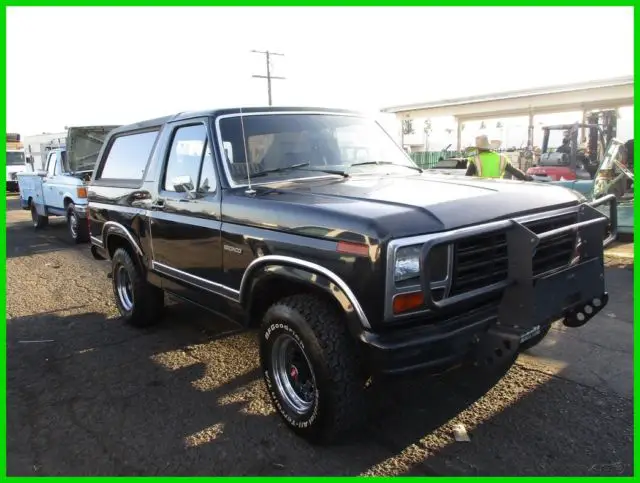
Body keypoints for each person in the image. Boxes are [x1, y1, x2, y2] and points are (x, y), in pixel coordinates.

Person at [465, 134, 533, 180]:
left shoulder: (475, 159)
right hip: (496, 188)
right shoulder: (501, 158)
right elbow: (515, 172)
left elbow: (467, 177)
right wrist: (527, 177)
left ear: (478, 148)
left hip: (480, 190)